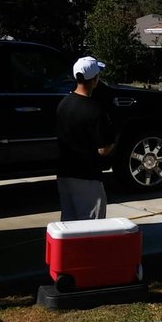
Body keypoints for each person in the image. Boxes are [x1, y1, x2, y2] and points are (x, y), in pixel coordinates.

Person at [56, 56, 116, 221]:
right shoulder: (95, 110)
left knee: (69, 224)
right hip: (87, 176)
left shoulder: (64, 103)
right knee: (91, 228)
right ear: (95, 79)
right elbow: (104, 149)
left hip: (64, 174)